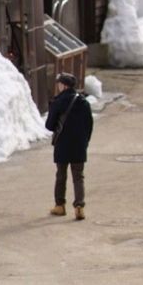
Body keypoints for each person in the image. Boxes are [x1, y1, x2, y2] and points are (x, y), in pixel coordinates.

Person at [45, 73, 93, 221]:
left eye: (59, 83)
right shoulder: (84, 102)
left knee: (61, 175)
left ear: (64, 85)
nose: (58, 86)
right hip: (79, 145)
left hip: (62, 145)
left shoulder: (58, 102)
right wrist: (85, 141)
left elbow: (49, 125)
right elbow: (89, 125)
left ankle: (60, 205)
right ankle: (79, 206)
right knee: (78, 176)